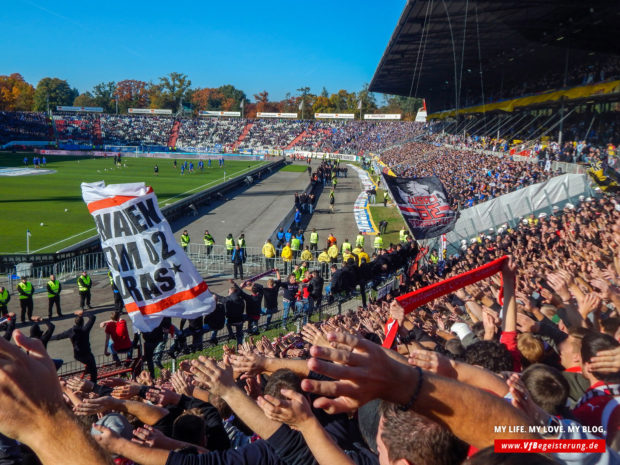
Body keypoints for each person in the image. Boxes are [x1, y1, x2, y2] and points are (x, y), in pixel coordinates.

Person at [51, 310, 98, 382]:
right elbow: (92, 317)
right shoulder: (85, 330)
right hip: (86, 354)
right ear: (82, 323)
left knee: (90, 364)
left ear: (75, 322)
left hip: (77, 355)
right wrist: (83, 313)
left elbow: (58, 336)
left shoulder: (71, 331)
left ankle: (88, 370)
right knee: (94, 371)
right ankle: (93, 384)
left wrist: (46, 338)